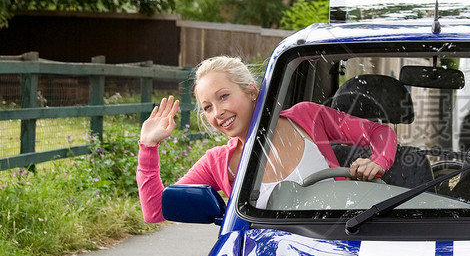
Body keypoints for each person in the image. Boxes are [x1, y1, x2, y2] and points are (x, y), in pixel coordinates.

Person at [136, 56, 397, 223]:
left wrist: (378, 161)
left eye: (223, 96)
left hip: (336, 240)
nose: (218, 112)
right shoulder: (216, 162)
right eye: (207, 107)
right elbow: (156, 210)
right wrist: (148, 146)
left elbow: (380, 132)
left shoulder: (307, 116)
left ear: (251, 91)